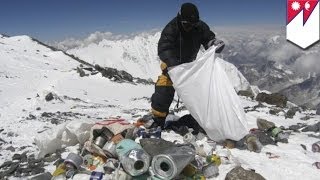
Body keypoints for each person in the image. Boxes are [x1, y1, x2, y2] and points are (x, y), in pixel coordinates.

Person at [150, 2, 225, 128]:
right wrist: (174, 66)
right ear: (180, 19)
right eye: (187, 24)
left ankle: (202, 119)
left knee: (200, 91)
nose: (190, 27)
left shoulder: (199, 27)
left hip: (190, 66)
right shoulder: (171, 28)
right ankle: (158, 120)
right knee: (164, 89)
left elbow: (208, 38)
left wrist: (213, 43)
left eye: (193, 24)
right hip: (171, 65)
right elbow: (164, 48)